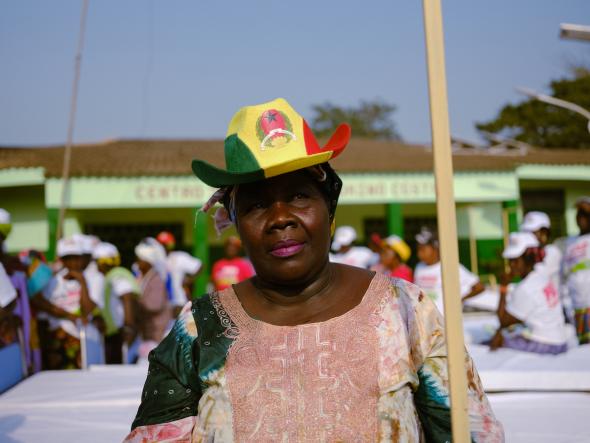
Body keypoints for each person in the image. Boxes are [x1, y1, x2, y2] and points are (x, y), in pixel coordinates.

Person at [125, 98, 502, 442]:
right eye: (257, 205)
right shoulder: (199, 327)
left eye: (299, 196)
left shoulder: (405, 310)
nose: (280, 218)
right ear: (236, 225)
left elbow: (468, 433)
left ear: (330, 208)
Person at [490, 232, 567, 354]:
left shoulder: (526, 287)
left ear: (529, 259)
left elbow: (503, 321)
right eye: (510, 261)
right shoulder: (542, 275)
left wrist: (503, 287)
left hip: (546, 345)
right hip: (560, 341)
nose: (511, 265)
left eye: (515, 260)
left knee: (494, 342)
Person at [33, 237, 97, 369]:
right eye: (68, 258)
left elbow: (87, 311)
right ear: (61, 260)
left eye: (76, 258)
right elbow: (45, 308)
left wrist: (82, 282)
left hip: (84, 341)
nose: (74, 263)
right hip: (60, 341)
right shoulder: (52, 281)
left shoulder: (90, 279)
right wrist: (71, 316)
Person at [413, 226, 485, 314]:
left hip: (444, 320)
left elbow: (479, 287)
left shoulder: (449, 266)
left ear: (435, 248)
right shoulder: (419, 267)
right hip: (424, 319)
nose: (419, 253)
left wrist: (460, 300)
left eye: (423, 249)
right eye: (418, 249)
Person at [93, 242, 140, 364]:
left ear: (102, 262)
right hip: (115, 332)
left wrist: (129, 326)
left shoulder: (117, 275)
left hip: (122, 332)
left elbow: (127, 295)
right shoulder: (109, 276)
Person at [134, 237, 173, 358]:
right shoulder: (144, 278)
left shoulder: (156, 279)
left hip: (157, 333)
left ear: (147, 261)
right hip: (148, 333)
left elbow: (153, 305)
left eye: (139, 260)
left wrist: (135, 302)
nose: (137, 263)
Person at [563, 196, 590, 344]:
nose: (581, 217)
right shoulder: (570, 242)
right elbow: (564, 274)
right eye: (579, 213)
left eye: (585, 213)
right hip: (577, 306)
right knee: (584, 347)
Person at [156, 231, 202, 314]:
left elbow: (199, 266)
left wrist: (189, 280)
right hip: (161, 303)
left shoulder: (179, 257)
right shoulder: (155, 260)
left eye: (164, 245)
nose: (162, 247)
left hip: (179, 301)